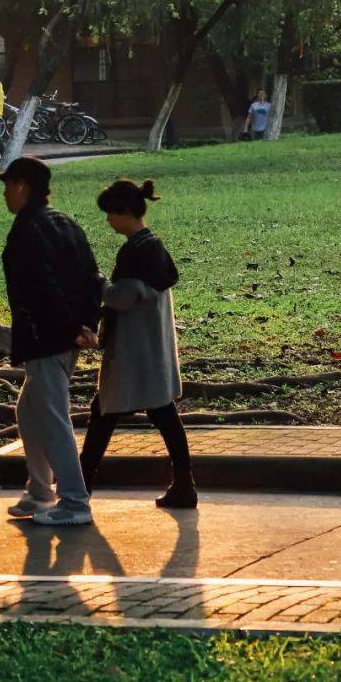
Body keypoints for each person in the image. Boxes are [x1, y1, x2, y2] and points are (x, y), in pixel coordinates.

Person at [80, 177, 197, 510]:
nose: (108, 220)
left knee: (104, 413)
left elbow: (124, 297)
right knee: (161, 414)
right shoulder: (151, 245)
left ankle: (79, 488)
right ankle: (184, 484)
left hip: (134, 351)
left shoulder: (138, 251)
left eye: (110, 213)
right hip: (150, 348)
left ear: (125, 212)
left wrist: (98, 282)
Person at [0, 155, 102, 527]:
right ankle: (41, 490)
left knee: (54, 418)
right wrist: (87, 324)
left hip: (46, 337)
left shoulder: (28, 230)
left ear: (22, 186)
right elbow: (93, 277)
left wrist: (72, 326)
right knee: (29, 411)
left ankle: (74, 501)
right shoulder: (66, 223)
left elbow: (42, 287)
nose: (5, 194)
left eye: (8, 186)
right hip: (65, 335)